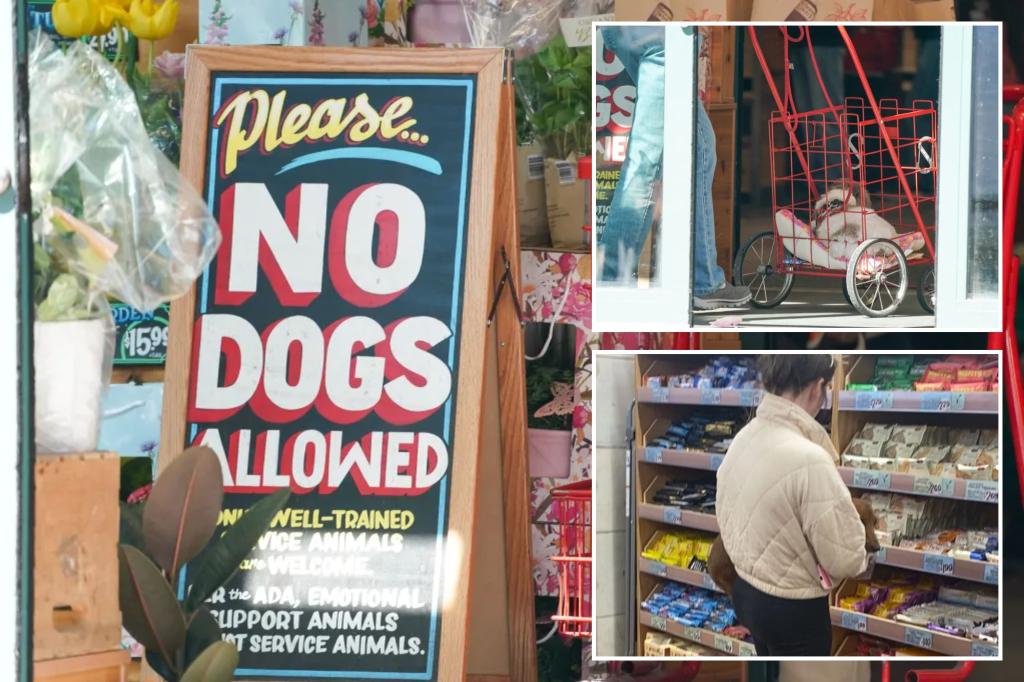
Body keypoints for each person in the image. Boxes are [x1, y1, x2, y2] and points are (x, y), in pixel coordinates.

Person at [715, 355, 870, 656]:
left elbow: (725, 510)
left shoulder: (744, 437)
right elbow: (845, 559)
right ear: (817, 387)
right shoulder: (809, 458)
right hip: (793, 607)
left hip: (746, 591)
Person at [598, 25, 750, 310]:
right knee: (645, 165)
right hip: (662, 39)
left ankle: (703, 280)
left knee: (701, 148)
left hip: (646, 33)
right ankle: (611, 283)